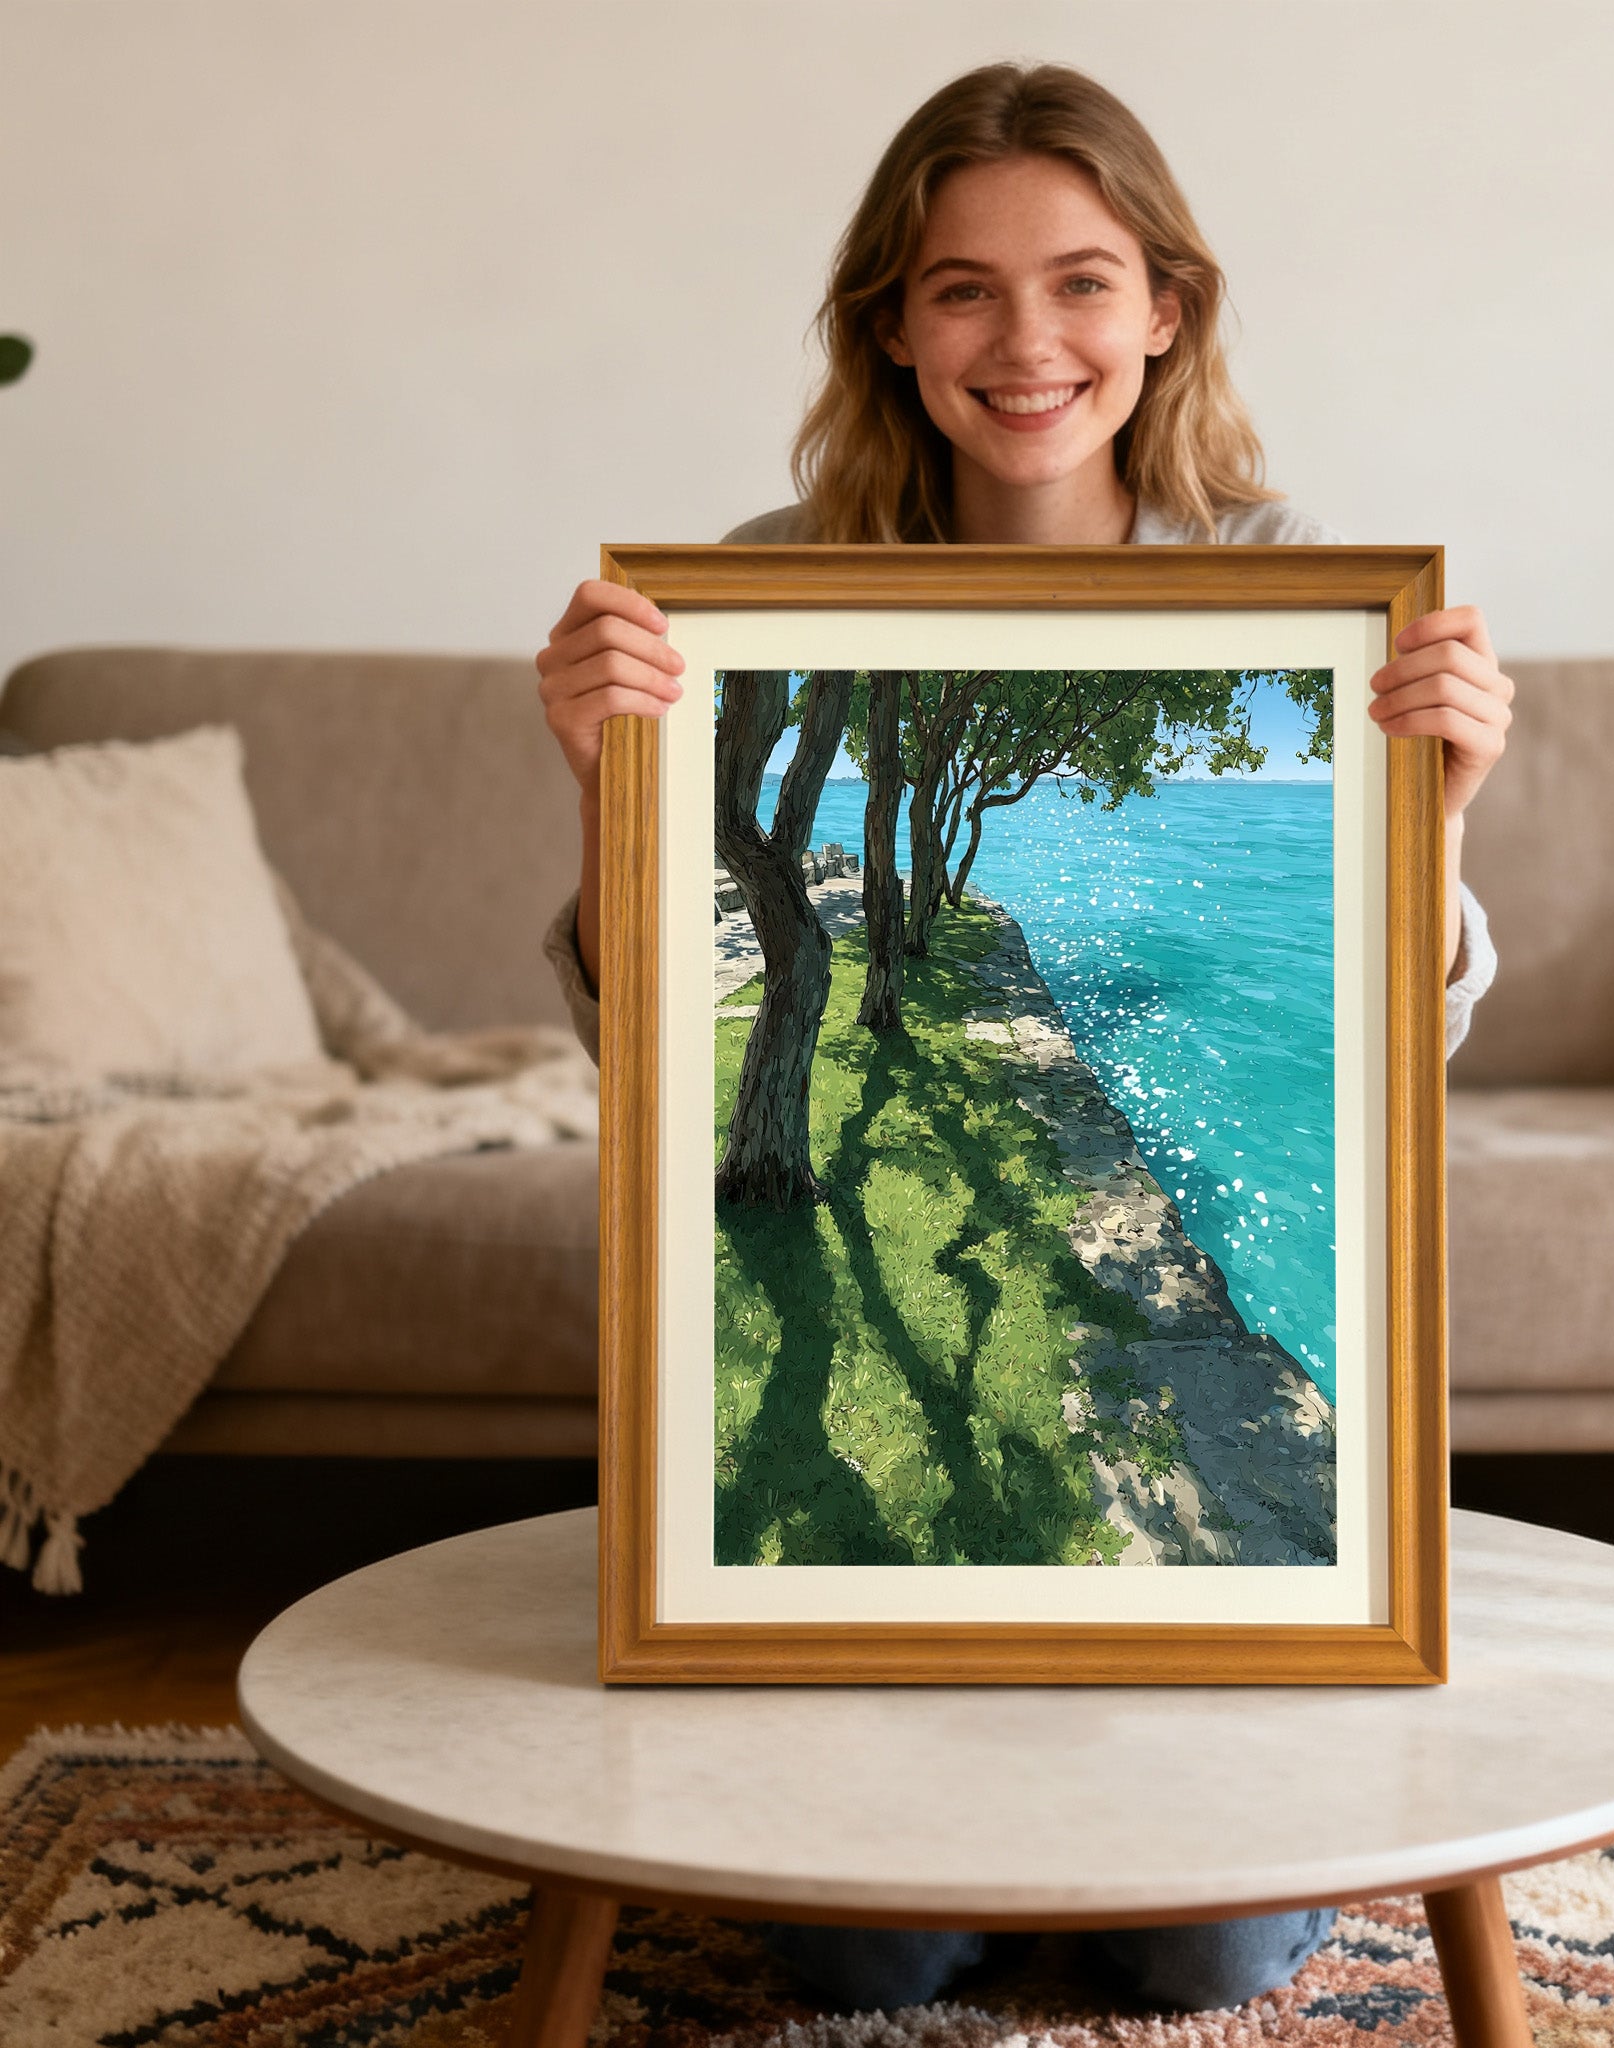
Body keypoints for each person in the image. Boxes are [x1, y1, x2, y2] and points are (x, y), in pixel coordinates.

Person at [533, 62, 1511, 2016]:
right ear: (891, 325)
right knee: (859, 1951)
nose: (1025, 339)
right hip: (848, 1564)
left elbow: (1376, 1042)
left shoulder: (1285, 586)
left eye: (1079, 280)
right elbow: (644, 1038)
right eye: (961, 288)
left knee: (1185, 1958)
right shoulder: (769, 587)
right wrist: (601, 784)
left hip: (1198, 1536)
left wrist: (1446, 818)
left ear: (1166, 306)